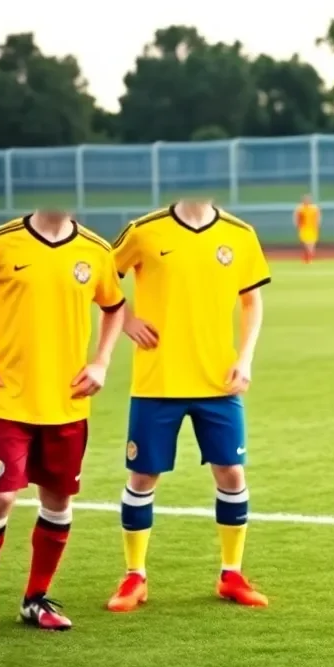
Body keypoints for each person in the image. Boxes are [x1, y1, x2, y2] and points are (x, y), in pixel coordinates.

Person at [0, 211, 125, 640]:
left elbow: (115, 307)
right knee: (0, 498)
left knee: (58, 502)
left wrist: (101, 362)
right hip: (5, 396)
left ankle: (36, 598)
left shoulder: (95, 250)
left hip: (68, 402)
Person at [106, 200, 272, 613]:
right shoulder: (143, 230)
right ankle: (134, 576)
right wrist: (126, 320)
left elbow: (252, 302)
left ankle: (231, 573)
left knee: (231, 474)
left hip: (218, 381)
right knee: (143, 476)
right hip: (156, 379)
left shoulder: (240, 234)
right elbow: (100, 277)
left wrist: (245, 357)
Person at [294, 194, 321, 263]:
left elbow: (318, 217)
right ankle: (308, 256)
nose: (307, 201)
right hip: (304, 228)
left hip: (312, 228)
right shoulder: (300, 208)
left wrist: (317, 225)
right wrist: (297, 225)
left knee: (311, 243)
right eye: (305, 199)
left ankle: (309, 257)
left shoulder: (314, 208)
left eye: (308, 199)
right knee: (306, 243)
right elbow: (297, 217)